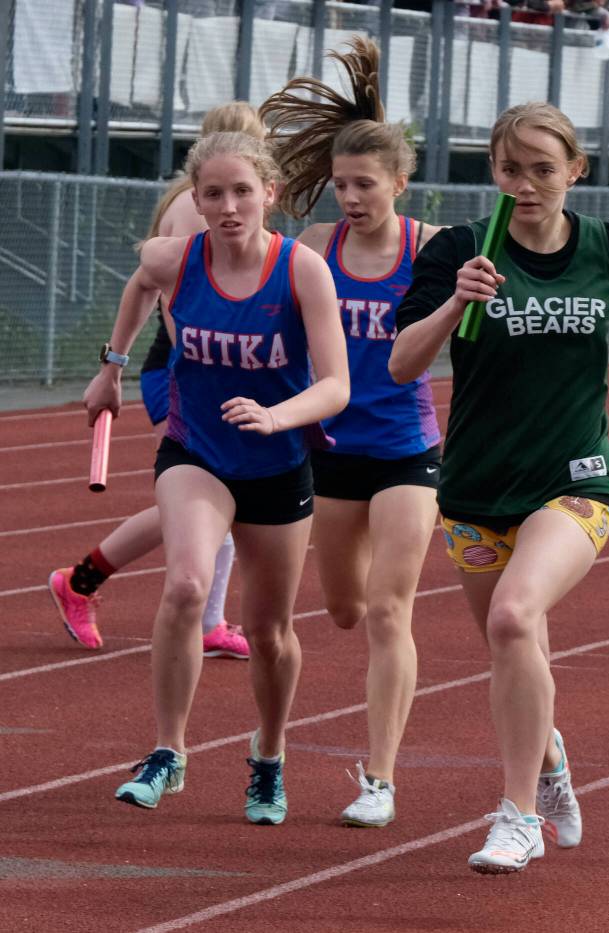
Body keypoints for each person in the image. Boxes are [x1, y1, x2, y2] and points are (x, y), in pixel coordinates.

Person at [390, 101, 609, 874]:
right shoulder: (460, 250)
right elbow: (402, 364)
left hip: (575, 480)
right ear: (493, 171)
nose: (527, 184)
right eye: (511, 169)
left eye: (543, 169)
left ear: (575, 170)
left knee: (513, 616)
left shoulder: (608, 245)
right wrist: (455, 302)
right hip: (476, 487)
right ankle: (550, 761)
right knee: (515, 650)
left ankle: (518, 816)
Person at [82, 130, 349, 823]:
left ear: (270, 193)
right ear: (195, 200)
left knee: (270, 632)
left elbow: (337, 386)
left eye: (241, 191)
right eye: (213, 194)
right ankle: (168, 750)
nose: (229, 206)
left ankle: (269, 754)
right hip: (195, 450)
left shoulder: (302, 271)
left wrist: (276, 415)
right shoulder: (174, 258)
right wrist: (112, 367)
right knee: (186, 584)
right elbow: (141, 284)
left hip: (276, 463)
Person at [258, 38, 443, 828]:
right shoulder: (314, 250)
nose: (351, 196)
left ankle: (380, 778)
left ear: (399, 182)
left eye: (365, 183)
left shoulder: (429, 247)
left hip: (407, 448)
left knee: (390, 610)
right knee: (341, 609)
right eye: (340, 184)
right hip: (330, 452)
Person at [48, 103, 269, 661]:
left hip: (197, 366)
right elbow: (170, 295)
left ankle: (93, 584)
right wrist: (120, 367)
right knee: (209, 501)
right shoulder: (200, 210)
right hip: (186, 369)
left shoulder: (208, 202)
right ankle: (88, 582)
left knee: (213, 504)